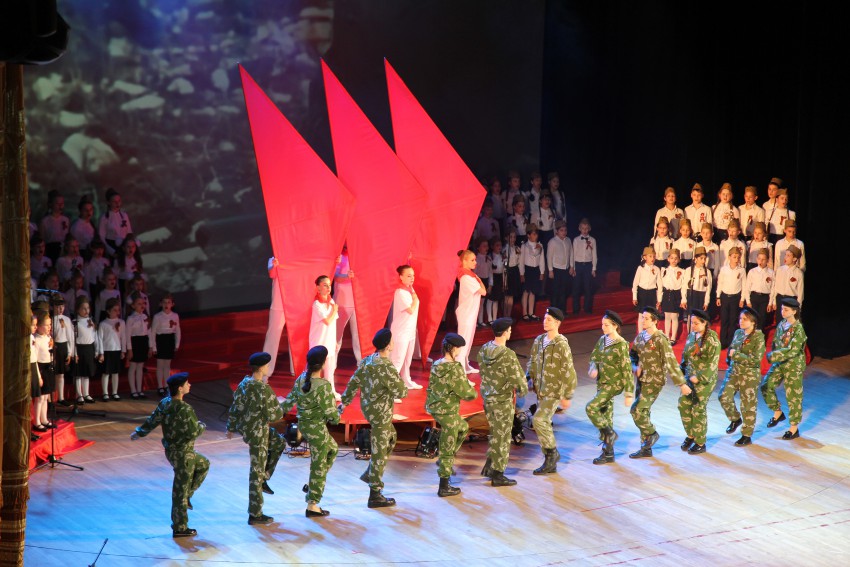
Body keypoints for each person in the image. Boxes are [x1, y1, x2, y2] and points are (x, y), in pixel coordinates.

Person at [131, 372, 209, 538]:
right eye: (187, 383)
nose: (189, 385)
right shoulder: (185, 409)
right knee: (179, 491)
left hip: (173, 451)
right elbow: (193, 432)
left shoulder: (165, 403)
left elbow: (153, 420)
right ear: (180, 388)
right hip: (183, 454)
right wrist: (202, 426)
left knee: (203, 464)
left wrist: (139, 432)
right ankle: (180, 527)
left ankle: (188, 496)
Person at [340, 329, 407, 507]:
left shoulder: (368, 360)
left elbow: (353, 382)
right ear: (388, 345)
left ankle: (370, 474)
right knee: (379, 451)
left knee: (391, 437)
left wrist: (344, 402)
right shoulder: (386, 367)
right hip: (381, 413)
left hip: (368, 409)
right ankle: (375, 494)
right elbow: (402, 392)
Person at [226, 352, 287, 525]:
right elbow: (275, 415)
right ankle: (255, 513)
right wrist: (280, 405)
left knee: (279, 442)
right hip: (258, 432)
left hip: (249, 429)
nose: (268, 368)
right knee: (256, 471)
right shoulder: (263, 389)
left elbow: (236, 407)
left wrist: (230, 427)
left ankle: (265, 478)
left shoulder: (244, 383)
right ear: (261, 368)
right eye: (267, 365)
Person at [280, 346, 340, 517]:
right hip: (317, 430)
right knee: (318, 466)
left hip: (304, 426)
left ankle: (312, 485)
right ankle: (312, 505)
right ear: (324, 363)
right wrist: (337, 415)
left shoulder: (301, 379)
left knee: (333, 449)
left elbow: (288, 402)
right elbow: (332, 416)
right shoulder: (323, 386)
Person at [628, 307, 691, 459]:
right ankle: (646, 447)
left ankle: (652, 433)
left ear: (655, 321)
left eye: (646, 318)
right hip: (642, 380)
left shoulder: (660, 339)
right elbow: (632, 355)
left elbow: (671, 361)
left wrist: (681, 384)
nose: (643, 320)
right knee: (643, 412)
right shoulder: (641, 336)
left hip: (654, 381)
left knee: (636, 410)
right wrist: (634, 366)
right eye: (642, 317)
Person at [425, 333, 478, 496]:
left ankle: (443, 459)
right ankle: (444, 486)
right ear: (454, 348)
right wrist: (474, 392)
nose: (459, 351)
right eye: (459, 349)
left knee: (463, 427)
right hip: (447, 411)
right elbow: (466, 393)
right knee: (448, 446)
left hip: (435, 407)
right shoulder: (454, 368)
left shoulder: (437, 364)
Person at [478, 317, 528, 486]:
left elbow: (482, 370)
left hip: (488, 399)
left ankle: (490, 467)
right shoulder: (507, 355)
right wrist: (523, 389)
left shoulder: (484, 349)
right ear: (506, 332)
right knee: (503, 437)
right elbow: (518, 380)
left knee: (494, 433)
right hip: (502, 401)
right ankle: (498, 474)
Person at [526, 307, 576, 474]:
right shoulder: (539, 340)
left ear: (557, 323)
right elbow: (532, 361)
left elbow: (569, 370)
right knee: (544, 422)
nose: (545, 322)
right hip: (540, 389)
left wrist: (567, 395)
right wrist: (529, 378)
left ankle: (551, 454)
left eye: (549, 320)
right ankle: (551, 459)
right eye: (544, 318)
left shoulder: (561, 344)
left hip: (554, 391)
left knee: (539, 420)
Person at [585, 310, 634, 465]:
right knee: (606, 414)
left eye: (606, 325)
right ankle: (608, 452)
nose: (603, 327)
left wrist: (629, 393)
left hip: (613, 383)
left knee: (591, 408)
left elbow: (627, 369)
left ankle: (610, 434)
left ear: (615, 326)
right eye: (602, 324)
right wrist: (593, 367)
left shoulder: (621, 344)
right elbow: (594, 357)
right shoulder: (602, 340)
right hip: (602, 382)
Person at [718, 307, 765, 446]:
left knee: (748, 405)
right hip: (734, 371)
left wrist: (736, 355)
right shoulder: (738, 333)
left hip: (749, 375)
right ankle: (735, 419)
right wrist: (729, 359)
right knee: (723, 396)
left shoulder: (758, 337)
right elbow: (731, 349)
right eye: (740, 319)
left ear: (753, 322)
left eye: (745, 319)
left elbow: (755, 360)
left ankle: (746, 435)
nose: (741, 321)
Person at [761, 298, 807, 439]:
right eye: (782, 309)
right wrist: (774, 355)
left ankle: (793, 428)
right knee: (766, 385)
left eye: (786, 310)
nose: (783, 312)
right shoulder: (782, 324)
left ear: (794, 311)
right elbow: (776, 342)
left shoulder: (798, 329)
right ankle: (777, 412)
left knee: (793, 396)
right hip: (780, 363)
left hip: (793, 365)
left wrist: (773, 356)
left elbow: (793, 350)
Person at [678, 308, 720, 454]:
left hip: (704, 380)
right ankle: (691, 435)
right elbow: (685, 356)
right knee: (683, 404)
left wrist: (699, 378)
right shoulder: (691, 336)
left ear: (705, 323)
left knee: (698, 408)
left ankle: (700, 442)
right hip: (690, 377)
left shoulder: (712, 340)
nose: (693, 326)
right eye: (692, 323)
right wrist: (681, 372)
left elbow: (712, 365)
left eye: (696, 323)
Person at [389, 265, 421, 389]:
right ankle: (389, 389)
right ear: (401, 277)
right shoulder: (400, 292)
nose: (412, 278)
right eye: (408, 276)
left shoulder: (410, 289)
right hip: (400, 332)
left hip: (410, 331)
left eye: (413, 275)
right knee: (397, 361)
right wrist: (415, 300)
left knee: (407, 360)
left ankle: (406, 381)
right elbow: (410, 310)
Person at [455, 250, 487, 373]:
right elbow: (483, 292)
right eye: (472, 260)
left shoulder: (470, 275)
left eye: (475, 259)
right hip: (466, 314)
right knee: (463, 342)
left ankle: (465, 366)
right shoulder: (467, 277)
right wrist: (479, 279)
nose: (475, 262)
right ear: (464, 261)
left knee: (468, 342)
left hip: (470, 314)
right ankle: (460, 370)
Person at [310, 275, 341, 398]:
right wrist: (335, 310)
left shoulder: (332, 302)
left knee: (330, 371)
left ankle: (331, 392)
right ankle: (311, 393)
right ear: (318, 288)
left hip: (329, 342)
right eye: (325, 285)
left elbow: (333, 324)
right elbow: (327, 321)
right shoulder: (316, 304)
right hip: (319, 342)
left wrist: (335, 341)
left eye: (329, 285)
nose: (328, 288)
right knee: (315, 371)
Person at [262, 257, 293, 376]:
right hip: (278, 304)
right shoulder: (273, 259)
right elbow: (272, 273)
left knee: (295, 338)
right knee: (273, 336)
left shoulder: (297, 259)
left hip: (295, 304)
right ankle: (266, 370)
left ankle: (296, 368)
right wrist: (274, 265)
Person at [333, 244, 361, 365]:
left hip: (357, 302)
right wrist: (346, 276)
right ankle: (332, 364)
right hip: (342, 302)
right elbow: (335, 277)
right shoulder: (338, 257)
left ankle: (361, 363)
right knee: (337, 335)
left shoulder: (358, 256)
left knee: (358, 336)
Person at [151, 292, 182, 397]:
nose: (166, 304)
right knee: (160, 365)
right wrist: (153, 346)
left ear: (172, 304)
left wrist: (177, 344)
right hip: (160, 340)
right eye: (164, 302)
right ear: (161, 304)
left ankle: (166, 385)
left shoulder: (175, 315)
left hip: (170, 340)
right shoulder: (157, 316)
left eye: (168, 302)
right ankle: (160, 386)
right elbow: (153, 332)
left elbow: (177, 330)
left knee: (167, 365)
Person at [715, 247, 746, 349]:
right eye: (734, 257)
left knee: (733, 321)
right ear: (729, 257)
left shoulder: (742, 270)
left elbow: (744, 285)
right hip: (725, 297)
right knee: (724, 320)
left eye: (738, 257)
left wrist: (742, 299)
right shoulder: (724, 269)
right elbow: (720, 283)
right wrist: (718, 296)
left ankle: (731, 342)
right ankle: (723, 342)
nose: (736, 259)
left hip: (735, 298)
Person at [97, 297, 126, 400]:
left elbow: (123, 337)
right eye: (115, 310)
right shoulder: (103, 324)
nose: (117, 312)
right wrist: (101, 353)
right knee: (106, 373)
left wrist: (123, 350)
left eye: (118, 310)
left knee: (115, 373)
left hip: (116, 350)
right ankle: (105, 393)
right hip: (106, 351)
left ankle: (114, 392)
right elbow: (100, 339)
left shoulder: (121, 322)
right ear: (108, 311)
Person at [73, 297, 100, 404]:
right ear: (77, 309)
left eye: (88, 308)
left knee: (86, 373)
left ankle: (86, 394)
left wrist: (97, 351)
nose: (86, 311)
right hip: (80, 349)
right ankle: (79, 394)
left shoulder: (91, 321)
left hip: (89, 348)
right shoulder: (75, 322)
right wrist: (74, 353)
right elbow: (73, 339)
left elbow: (95, 336)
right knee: (79, 373)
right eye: (83, 308)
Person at [32, 310, 55, 431]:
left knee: (46, 397)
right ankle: (37, 422)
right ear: (39, 326)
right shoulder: (36, 340)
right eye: (46, 325)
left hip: (48, 367)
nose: (49, 327)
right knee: (40, 398)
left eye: (50, 324)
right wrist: (38, 376)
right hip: (40, 369)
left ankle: (44, 419)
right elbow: (34, 359)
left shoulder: (48, 338)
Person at [632, 246, 662, 336]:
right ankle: (641, 334)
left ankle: (651, 334)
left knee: (652, 314)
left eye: (654, 256)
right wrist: (634, 297)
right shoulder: (640, 268)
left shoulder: (657, 269)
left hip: (652, 293)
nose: (652, 258)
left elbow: (660, 285)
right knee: (641, 314)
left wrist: (659, 299)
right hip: (642, 293)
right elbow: (635, 283)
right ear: (645, 257)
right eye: (650, 256)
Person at [126, 292, 151, 399]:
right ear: (133, 306)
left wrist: (150, 347)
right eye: (139, 304)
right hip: (134, 342)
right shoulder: (131, 318)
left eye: (143, 303)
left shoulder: (145, 317)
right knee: (133, 366)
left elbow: (149, 332)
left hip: (143, 342)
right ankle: (133, 390)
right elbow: (127, 335)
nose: (142, 305)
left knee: (140, 366)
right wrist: (129, 349)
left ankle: (140, 390)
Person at [570, 218, 597, 315]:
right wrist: (573, 267)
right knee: (576, 287)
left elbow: (594, 255)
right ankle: (576, 309)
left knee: (588, 288)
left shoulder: (592, 240)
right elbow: (573, 254)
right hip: (578, 265)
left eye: (586, 228)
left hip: (588, 266)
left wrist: (594, 268)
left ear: (589, 228)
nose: (585, 230)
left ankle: (587, 308)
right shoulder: (576, 240)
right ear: (579, 229)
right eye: (583, 228)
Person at [51, 296, 75, 406]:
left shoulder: (67, 319)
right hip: (55, 348)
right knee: (53, 374)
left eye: (62, 306)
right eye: (58, 306)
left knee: (61, 374)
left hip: (63, 347)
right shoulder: (51, 319)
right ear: (53, 307)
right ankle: (52, 399)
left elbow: (70, 337)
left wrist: (70, 352)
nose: (61, 309)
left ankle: (61, 397)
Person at [680, 246, 712, 323]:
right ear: (696, 259)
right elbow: (684, 286)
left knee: (699, 319)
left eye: (705, 258)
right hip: (691, 295)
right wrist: (684, 299)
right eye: (701, 258)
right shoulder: (689, 270)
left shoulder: (707, 272)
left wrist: (706, 302)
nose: (703, 261)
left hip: (701, 296)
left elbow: (708, 289)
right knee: (690, 318)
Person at [98, 187, 133, 257]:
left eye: (119, 201)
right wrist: (111, 251)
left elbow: (129, 233)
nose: (117, 203)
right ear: (108, 202)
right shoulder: (104, 218)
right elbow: (101, 237)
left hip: (125, 248)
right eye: (114, 201)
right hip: (112, 248)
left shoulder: (124, 215)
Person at [519, 225, 544, 321]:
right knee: (526, 291)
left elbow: (541, 260)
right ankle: (524, 313)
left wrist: (542, 272)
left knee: (533, 292)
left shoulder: (540, 245)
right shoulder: (524, 246)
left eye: (536, 234)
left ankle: (531, 313)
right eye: (533, 234)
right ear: (528, 235)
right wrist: (522, 273)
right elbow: (521, 261)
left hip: (535, 270)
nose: (535, 236)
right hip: (527, 270)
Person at [745, 248, 774, 329]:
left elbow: (773, 289)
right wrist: (748, 301)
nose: (761, 261)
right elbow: (747, 288)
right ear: (756, 259)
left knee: (762, 319)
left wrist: (770, 303)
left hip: (764, 298)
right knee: (752, 319)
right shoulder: (752, 272)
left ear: (767, 260)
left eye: (763, 259)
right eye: (759, 259)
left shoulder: (771, 273)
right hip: (754, 297)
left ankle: (760, 336)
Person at [660, 249, 685, 344]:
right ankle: (666, 336)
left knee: (674, 316)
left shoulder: (682, 271)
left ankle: (673, 337)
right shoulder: (664, 270)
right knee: (667, 316)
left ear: (679, 260)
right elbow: (661, 284)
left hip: (676, 294)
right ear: (668, 259)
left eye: (676, 258)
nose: (673, 260)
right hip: (667, 293)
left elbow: (683, 286)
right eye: (672, 258)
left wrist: (683, 299)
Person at [547, 220, 572, 314]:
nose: (564, 232)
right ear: (557, 231)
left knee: (563, 291)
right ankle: (553, 312)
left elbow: (571, 254)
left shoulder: (568, 240)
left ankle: (562, 311)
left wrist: (571, 266)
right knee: (555, 291)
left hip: (565, 269)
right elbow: (549, 256)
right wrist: (550, 270)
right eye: (561, 230)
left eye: (565, 230)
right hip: (556, 269)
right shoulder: (552, 242)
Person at [770, 245, 804, 313]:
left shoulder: (799, 273)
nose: (785, 257)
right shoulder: (780, 270)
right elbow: (776, 286)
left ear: (794, 259)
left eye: (788, 255)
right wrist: (774, 301)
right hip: (780, 299)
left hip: (791, 300)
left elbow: (800, 293)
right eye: (785, 255)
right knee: (779, 319)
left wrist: (798, 307)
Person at [39, 189, 70, 264]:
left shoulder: (66, 220)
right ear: (51, 204)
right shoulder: (45, 221)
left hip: (64, 250)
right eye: (57, 203)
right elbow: (42, 239)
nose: (60, 206)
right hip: (51, 251)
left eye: (62, 203)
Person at [485, 237, 506, 323]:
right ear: (492, 246)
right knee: (490, 299)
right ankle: (490, 318)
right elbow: (490, 270)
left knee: (496, 299)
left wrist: (504, 282)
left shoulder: (502, 256)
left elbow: (504, 270)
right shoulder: (489, 257)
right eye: (497, 245)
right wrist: (490, 284)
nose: (499, 247)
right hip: (492, 278)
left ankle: (494, 318)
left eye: (500, 245)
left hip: (500, 278)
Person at [71, 194, 97, 260]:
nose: (89, 212)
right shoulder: (76, 226)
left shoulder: (91, 224)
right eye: (86, 210)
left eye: (91, 210)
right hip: (81, 255)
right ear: (81, 211)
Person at [503, 229, 522, 318]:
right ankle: (505, 315)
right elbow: (504, 262)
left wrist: (521, 273)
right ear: (506, 238)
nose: (513, 239)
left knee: (511, 295)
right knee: (506, 295)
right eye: (511, 237)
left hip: (514, 271)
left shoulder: (517, 249)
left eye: (514, 237)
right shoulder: (504, 249)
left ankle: (508, 315)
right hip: (507, 271)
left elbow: (519, 262)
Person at [474, 238, 492, 328]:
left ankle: (480, 321)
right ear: (478, 248)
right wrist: (477, 284)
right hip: (478, 282)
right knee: (476, 303)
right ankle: (475, 321)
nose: (486, 248)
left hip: (485, 281)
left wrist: (490, 284)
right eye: (484, 246)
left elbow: (490, 272)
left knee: (482, 302)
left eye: (487, 246)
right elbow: (474, 273)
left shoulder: (488, 258)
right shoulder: (476, 259)